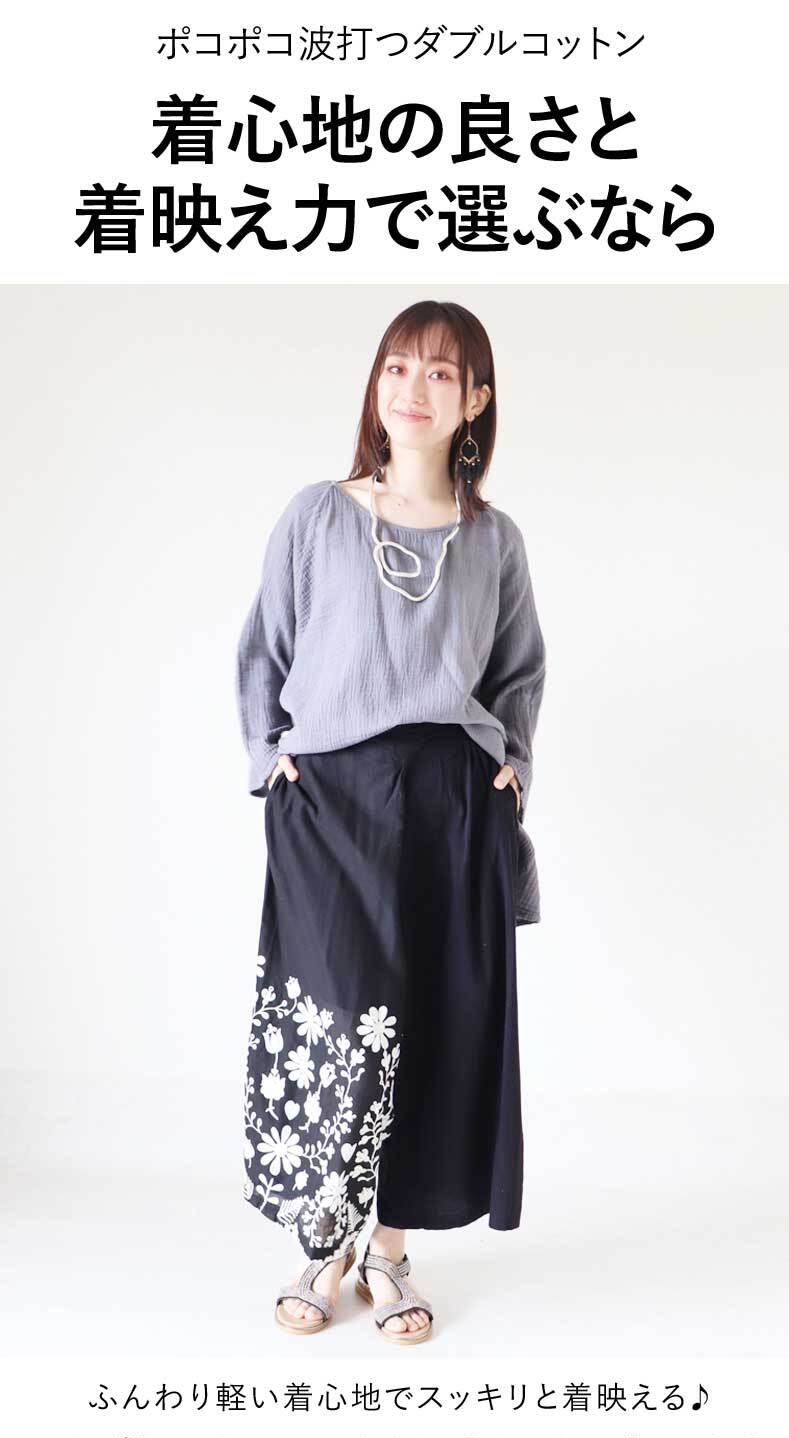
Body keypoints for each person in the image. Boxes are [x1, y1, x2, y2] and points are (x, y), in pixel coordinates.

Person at [235, 299, 546, 1344]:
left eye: (441, 373)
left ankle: (391, 1253)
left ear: (475, 401)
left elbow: (518, 673)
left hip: (451, 803)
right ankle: (324, 1244)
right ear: (377, 386)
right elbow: (265, 648)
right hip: (330, 802)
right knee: (338, 1018)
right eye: (398, 367)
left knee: (433, 1022)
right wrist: (269, 759)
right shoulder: (318, 516)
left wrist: (512, 769)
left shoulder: (492, 540)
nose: (414, 388)